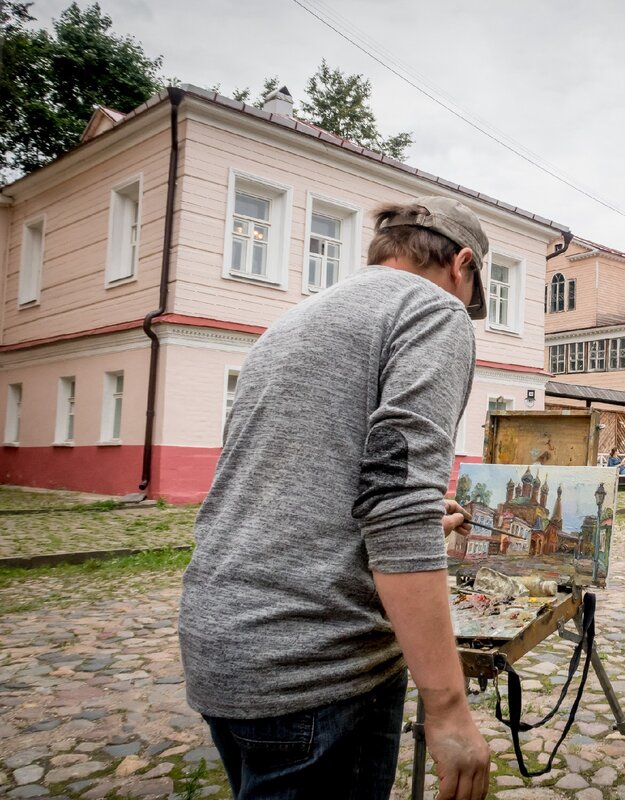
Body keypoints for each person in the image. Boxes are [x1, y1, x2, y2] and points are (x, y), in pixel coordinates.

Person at [178, 197, 493, 800]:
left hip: (223, 639)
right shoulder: (432, 310)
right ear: (461, 264)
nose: (464, 310)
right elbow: (396, 503)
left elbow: (300, 480)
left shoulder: (295, 319)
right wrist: (448, 707)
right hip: (318, 662)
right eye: (470, 293)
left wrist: (425, 516)